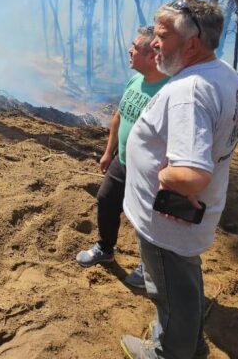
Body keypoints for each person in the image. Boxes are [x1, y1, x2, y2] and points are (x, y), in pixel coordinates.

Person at [119, 0, 238, 359]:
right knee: (183, 284)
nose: (154, 43)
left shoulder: (189, 92)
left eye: (163, 36)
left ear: (191, 44)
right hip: (187, 219)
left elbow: (191, 175)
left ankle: (167, 353)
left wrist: (167, 176)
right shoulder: (222, 73)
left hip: (168, 220)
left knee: (168, 289)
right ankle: (189, 344)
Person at [76, 26, 168, 290]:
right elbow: (119, 116)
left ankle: (147, 268)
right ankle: (105, 248)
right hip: (123, 159)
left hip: (149, 169)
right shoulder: (135, 81)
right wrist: (108, 152)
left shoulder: (168, 90)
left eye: (135, 47)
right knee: (106, 200)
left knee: (145, 219)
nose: (129, 50)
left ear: (152, 55)